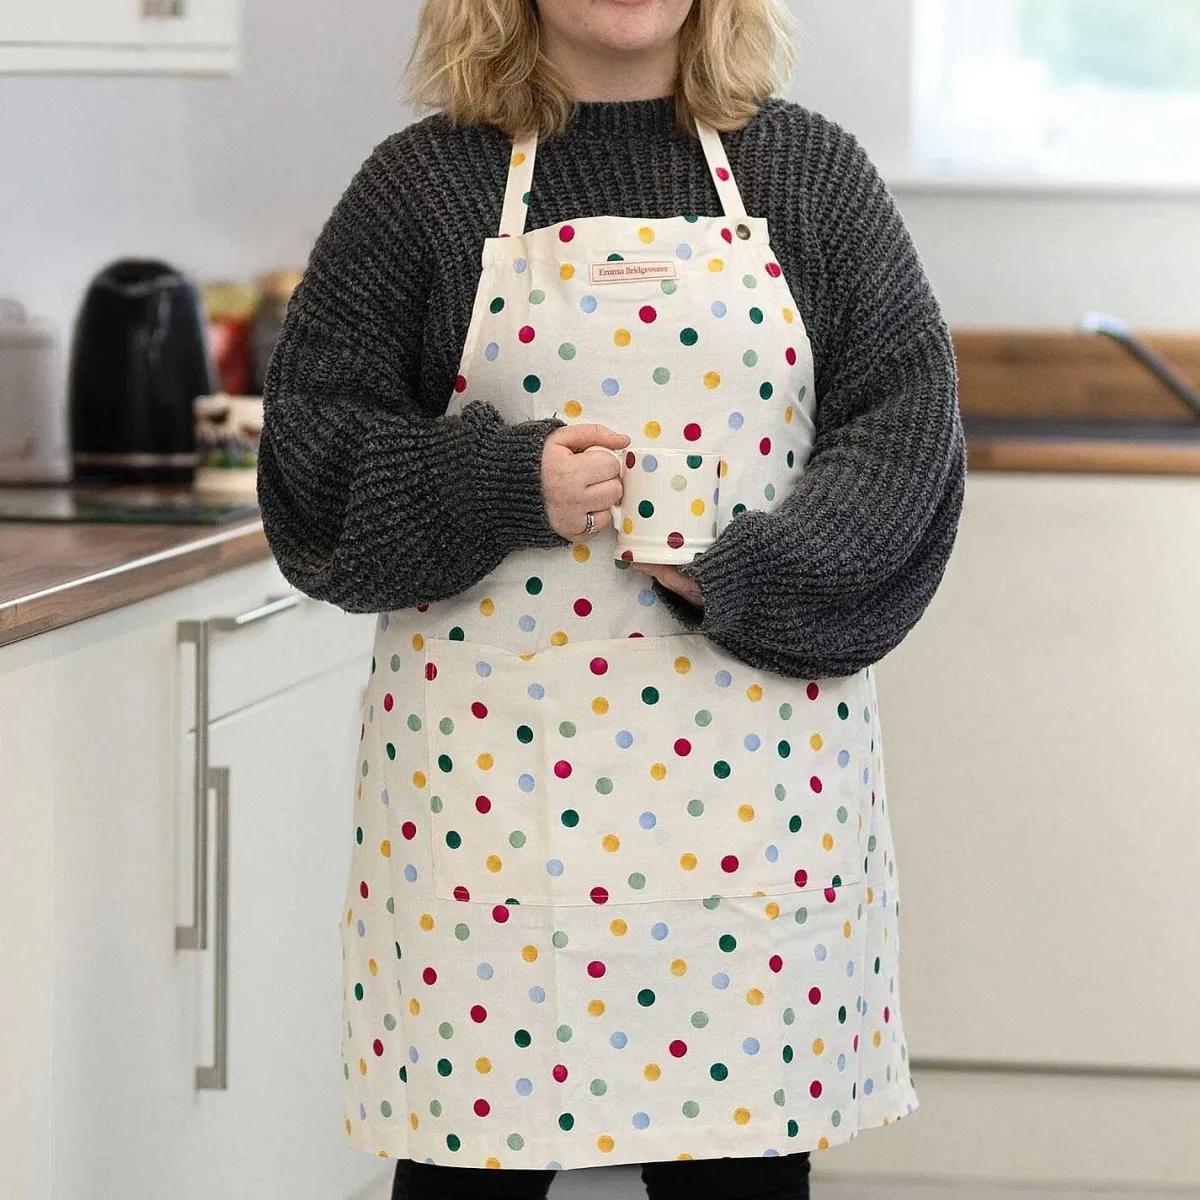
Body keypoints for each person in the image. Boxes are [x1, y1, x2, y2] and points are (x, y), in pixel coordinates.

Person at [257, 0, 965, 1197]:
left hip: (755, 807)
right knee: (467, 1177)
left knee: (740, 1176)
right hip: (489, 819)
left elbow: (908, 439)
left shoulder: (811, 175)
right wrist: (499, 480)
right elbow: (310, 471)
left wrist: (753, 569)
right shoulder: (423, 189)